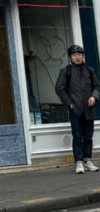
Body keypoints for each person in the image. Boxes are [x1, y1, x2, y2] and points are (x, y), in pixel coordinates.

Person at [55, 44, 100, 174]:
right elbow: (59, 88)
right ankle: (79, 162)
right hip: (75, 109)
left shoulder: (89, 70)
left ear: (82, 56)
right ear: (70, 57)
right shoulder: (66, 71)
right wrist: (69, 103)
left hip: (89, 108)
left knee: (88, 136)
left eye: (79, 55)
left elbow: (97, 86)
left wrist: (94, 97)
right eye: (74, 55)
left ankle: (88, 160)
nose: (77, 57)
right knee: (77, 135)